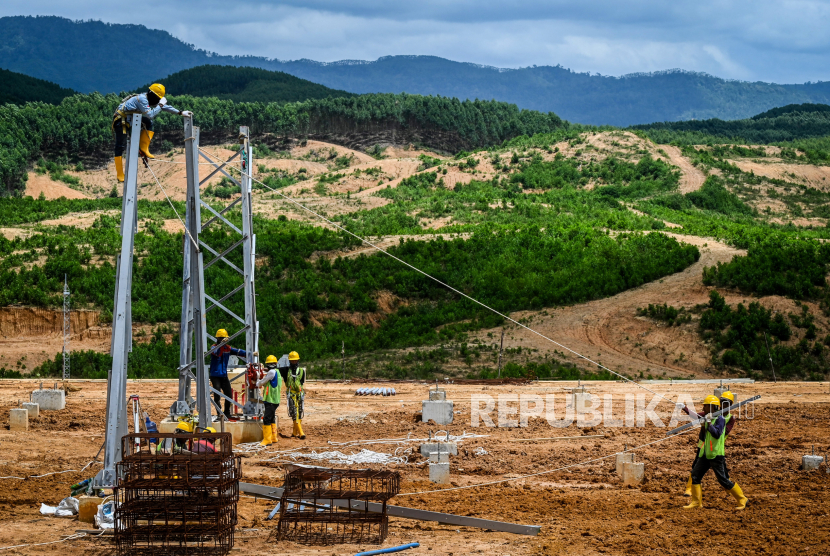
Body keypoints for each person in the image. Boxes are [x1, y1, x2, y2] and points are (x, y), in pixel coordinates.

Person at [111, 83, 192, 182]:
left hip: (131, 119)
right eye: (157, 99)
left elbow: (163, 107)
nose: (158, 101)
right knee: (120, 146)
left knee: (149, 123)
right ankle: (120, 174)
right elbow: (150, 114)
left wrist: (180, 112)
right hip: (121, 121)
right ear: (152, 95)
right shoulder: (142, 99)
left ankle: (144, 148)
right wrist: (161, 104)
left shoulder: (149, 98)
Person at [683, 395, 748, 510]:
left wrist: (709, 423)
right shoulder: (709, 416)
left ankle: (742, 499)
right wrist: (684, 408)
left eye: (705, 406)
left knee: (723, 479)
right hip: (705, 453)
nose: (703, 409)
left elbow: (717, 434)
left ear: (712, 407)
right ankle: (696, 502)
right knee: (695, 475)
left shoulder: (720, 419)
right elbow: (697, 418)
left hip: (716, 455)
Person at [677, 393, 736, 496]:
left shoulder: (727, 418)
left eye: (726, 404)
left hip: (716, 447)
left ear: (730, 405)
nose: (723, 406)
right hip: (704, 445)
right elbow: (695, 416)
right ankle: (689, 489)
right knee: (696, 467)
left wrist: (709, 422)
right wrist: (684, 408)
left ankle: (731, 490)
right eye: (722, 402)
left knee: (723, 472)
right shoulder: (710, 413)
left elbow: (722, 433)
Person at [209, 328, 253, 421]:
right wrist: (220, 345)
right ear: (218, 339)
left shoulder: (227, 348)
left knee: (228, 394)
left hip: (223, 375)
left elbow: (238, 352)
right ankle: (219, 414)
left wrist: (250, 354)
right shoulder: (214, 347)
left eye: (225, 338)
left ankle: (227, 413)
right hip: (215, 375)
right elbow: (217, 353)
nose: (224, 340)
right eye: (222, 338)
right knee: (217, 395)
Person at [255, 355, 282, 447]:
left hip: (270, 399)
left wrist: (257, 380)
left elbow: (262, 382)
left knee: (266, 418)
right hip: (275, 399)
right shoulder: (277, 372)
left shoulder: (271, 372)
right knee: (272, 418)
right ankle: (274, 437)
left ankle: (267, 439)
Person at [278, 351, 306, 439]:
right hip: (291, 394)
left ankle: (294, 432)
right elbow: (275, 369)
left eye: (295, 360)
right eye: (292, 361)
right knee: (294, 413)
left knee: (300, 412)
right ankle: (301, 432)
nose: (294, 362)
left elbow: (301, 382)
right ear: (289, 361)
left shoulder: (301, 371)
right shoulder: (285, 370)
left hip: (300, 394)